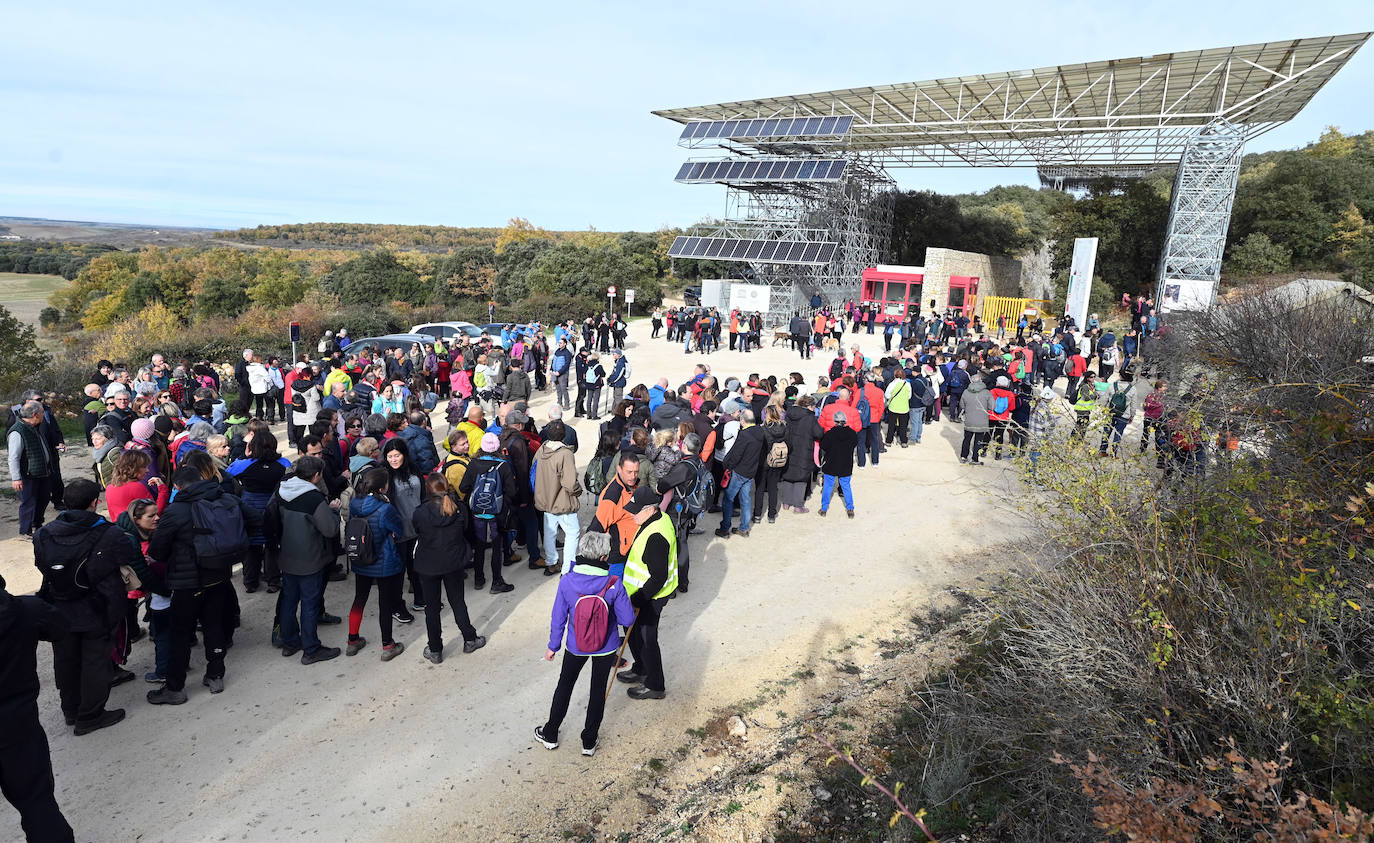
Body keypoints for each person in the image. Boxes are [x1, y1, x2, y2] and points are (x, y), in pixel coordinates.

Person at [145, 466, 258, 703]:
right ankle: (216, 674)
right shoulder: (226, 498)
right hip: (219, 574)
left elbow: (157, 551)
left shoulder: (175, 511)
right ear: (201, 478)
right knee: (214, 625)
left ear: (177, 487)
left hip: (187, 582)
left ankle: (175, 688)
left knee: (180, 633)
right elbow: (256, 520)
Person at [33, 479, 134, 734]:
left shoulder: (44, 533)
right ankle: (90, 716)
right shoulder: (109, 533)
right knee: (95, 662)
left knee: (66, 659)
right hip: (97, 606)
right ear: (94, 503)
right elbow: (125, 558)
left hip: (59, 605)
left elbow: (41, 564)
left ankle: (70, 709)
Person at [534, 531, 636, 756]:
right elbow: (628, 620)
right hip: (606, 646)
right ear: (602, 558)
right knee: (597, 690)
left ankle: (550, 733)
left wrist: (553, 646)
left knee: (565, 685)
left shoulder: (567, 581)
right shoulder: (613, 583)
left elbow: (558, 616)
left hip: (575, 645)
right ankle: (588, 741)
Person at [0, 572, 76, 841]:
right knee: (37, 802)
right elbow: (60, 627)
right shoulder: (27, 610)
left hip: (18, 723)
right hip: (18, 724)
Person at [268, 456, 342, 666]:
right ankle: (311, 648)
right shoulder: (314, 498)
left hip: (287, 555)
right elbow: (329, 529)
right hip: (311, 558)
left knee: (289, 600)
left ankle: (290, 641)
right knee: (310, 603)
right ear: (317, 476)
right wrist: (334, 511)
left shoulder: (282, 490)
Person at [412, 474, 486, 663]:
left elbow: (417, 531)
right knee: (457, 602)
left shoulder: (420, 512)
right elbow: (467, 531)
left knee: (432, 608)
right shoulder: (459, 509)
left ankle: (435, 649)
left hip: (427, 564)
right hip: (453, 562)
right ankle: (470, 639)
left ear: (427, 491)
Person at [616, 486, 677, 700]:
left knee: (647, 639)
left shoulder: (656, 536)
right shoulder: (655, 519)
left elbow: (658, 576)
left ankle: (655, 685)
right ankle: (641, 668)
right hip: (638, 594)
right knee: (632, 633)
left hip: (650, 597)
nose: (632, 514)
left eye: (636, 510)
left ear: (651, 510)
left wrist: (638, 600)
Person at [345, 469, 407, 660]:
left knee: (359, 598)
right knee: (385, 603)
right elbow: (399, 530)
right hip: (384, 561)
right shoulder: (385, 508)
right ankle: (388, 645)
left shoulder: (354, 503)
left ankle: (352, 641)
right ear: (382, 487)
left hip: (361, 558)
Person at [458, 433, 518, 593]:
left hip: (477, 512)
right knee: (497, 547)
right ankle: (497, 582)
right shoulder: (503, 465)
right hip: (496, 514)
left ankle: (479, 579)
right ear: (497, 447)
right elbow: (511, 491)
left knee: (479, 545)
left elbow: (463, 488)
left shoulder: (473, 464)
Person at [535, 420, 582, 576]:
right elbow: (569, 483)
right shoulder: (565, 453)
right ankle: (568, 568)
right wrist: (577, 490)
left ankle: (551, 563)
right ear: (564, 435)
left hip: (545, 499)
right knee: (573, 532)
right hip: (563, 502)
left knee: (550, 532)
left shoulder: (542, 450)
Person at [715, 408, 765, 538]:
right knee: (745, 500)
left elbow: (736, 455)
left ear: (743, 421)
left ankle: (725, 528)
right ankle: (744, 528)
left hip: (739, 471)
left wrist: (728, 466)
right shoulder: (760, 431)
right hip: (751, 471)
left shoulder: (744, 435)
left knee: (728, 499)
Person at [8, 401, 54, 539]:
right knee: (29, 502)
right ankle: (25, 531)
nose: (43, 415)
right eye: (41, 412)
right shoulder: (18, 431)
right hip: (28, 475)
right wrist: (16, 478)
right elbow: (13, 457)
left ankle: (37, 525)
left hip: (42, 472)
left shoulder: (34, 427)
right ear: (35, 414)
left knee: (44, 498)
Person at [816, 411, 858, 517]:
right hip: (846, 463)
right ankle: (850, 509)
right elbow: (855, 444)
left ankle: (824, 508)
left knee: (828, 486)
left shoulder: (830, 434)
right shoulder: (852, 433)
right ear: (845, 421)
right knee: (846, 486)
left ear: (835, 421)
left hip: (831, 463)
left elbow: (823, 446)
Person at [959, 377, 992, 465]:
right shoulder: (986, 393)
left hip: (969, 419)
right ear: (980, 381)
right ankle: (975, 459)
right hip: (982, 420)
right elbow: (992, 406)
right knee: (978, 441)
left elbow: (962, 405)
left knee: (967, 439)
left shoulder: (966, 391)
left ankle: (963, 456)